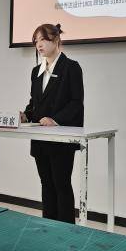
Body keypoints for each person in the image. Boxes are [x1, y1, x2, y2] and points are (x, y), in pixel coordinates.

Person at [21, 23, 84, 224]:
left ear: (56, 40)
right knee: (46, 183)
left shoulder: (71, 67)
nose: (39, 45)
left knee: (61, 183)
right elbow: (35, 103)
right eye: (36, 41)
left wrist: (55, 120)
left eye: (43, 40)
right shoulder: (36, 71)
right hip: (40, 138)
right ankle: (48, 226)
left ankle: (66, 229)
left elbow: (76, 103)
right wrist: (26, 115)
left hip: (61, 138)